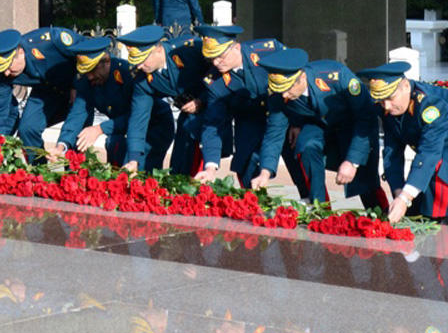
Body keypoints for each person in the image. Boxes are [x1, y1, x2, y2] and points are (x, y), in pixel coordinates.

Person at [357, 61, 448, 226]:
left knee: (435, 166)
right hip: (445, 149)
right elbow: (392, 152)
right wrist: (398, 193)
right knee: (415, 200)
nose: (387, 106)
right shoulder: (388, 107)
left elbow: (429, 153)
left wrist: (405, 198)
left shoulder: (430, 105)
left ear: (405, 86)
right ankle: (424, 224)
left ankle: (442, 224)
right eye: (381, 100)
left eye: (391, 98)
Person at [251, 47, 387, 210]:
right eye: (281, 91)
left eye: (288, 89)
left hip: (354, 127)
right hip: (320, 126)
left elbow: (366, 117)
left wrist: (352, 161)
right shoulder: (279, 94)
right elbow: (274, 133)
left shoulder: (337, 77)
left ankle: (383, 216)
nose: (285, 96)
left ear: (302, 77)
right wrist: (264, 172)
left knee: (364, 179)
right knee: (306, 146)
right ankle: (320, 208)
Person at [190, 24, 303, 189]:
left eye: (220, 56)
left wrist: (297, 121)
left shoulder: (269, 51)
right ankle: (255, 205)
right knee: (245, 163)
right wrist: (210, 168)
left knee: (300, 158)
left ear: (236, 47)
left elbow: (298, 82)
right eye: (211, 58)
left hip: (284, 114)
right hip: (249, 119)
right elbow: (213, 123)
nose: (216, 63)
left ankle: (312, 202)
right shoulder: (214, 81)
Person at [54, 35, 174, 170]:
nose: (90, 76)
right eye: (86, 71)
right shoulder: (87, 81)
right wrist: (61, 146)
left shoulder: (128, 74)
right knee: (115, 153)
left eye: (93, 70)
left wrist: (99, 129)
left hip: (154, 126)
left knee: (139, 173)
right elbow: (77, 114)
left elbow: (138, 116)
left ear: (106, 61)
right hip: (123, 129)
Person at [116, 24, 209, 174]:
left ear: (158, 49)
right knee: (178, 167)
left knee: (197, 164)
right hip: (188, 115)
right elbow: (138, 118)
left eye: (143, 60)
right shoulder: (142, 78)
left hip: (213, 108)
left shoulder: (189, 50)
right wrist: (133, 159)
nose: (139, 66)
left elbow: (220, 76)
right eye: (136, 61)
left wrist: (202, 100)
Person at [0, 27, 79, 163]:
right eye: (3, 69)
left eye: (9, 67)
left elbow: (86, 52)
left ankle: (74, 175)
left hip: (78, 89)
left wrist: (76, 84)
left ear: (20, 52)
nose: (6, 73)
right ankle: (39, 173)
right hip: (46, 92)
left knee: (77, 132)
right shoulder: (3, 74)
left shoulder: (52, 40)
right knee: (27, 128)